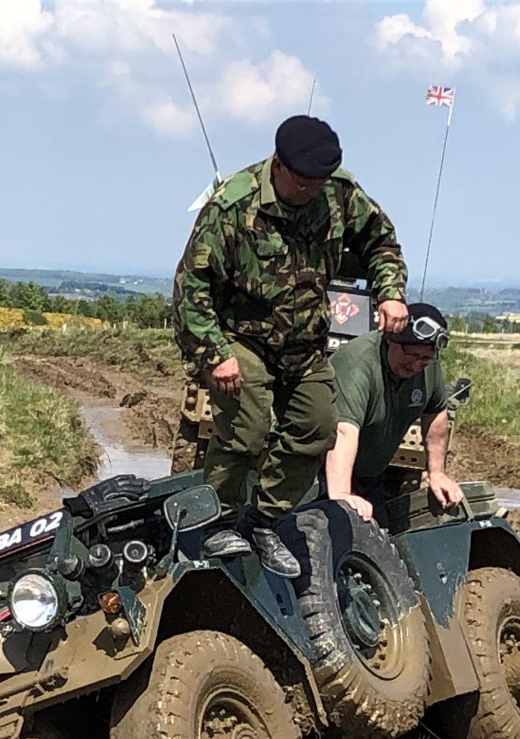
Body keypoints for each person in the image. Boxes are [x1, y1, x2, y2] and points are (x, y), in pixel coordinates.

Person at [171, 114, 408, 578]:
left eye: (319, 184)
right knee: (248, 432)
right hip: (241, 338)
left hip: (304, 343)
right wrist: (215, 354)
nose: (311, 193)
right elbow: (190, 287)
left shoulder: (339, 193)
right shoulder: (232, 208)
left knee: (318, 429)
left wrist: (391, 291)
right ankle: (219, 519)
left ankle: (261, 520)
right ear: (278, 166)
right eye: (303, 183)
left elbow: (381, 240)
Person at [324, 303, 462, 531]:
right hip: (320, 470)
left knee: (382, 542)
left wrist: (437, 473)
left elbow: (436, 411)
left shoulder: (428, 367)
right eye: (411, 355)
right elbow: (343, 431)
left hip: (370, 474)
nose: (417, 365)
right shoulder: (358, 363)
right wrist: (341, 496)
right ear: (390, 339)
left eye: (425, 359)